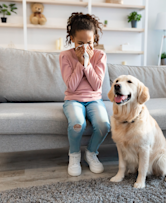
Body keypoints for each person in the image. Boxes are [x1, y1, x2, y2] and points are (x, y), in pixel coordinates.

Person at [59, 12, 110, 177]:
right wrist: (80, 64)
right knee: (77, 124)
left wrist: (87, 64)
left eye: (89, 43)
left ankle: (91, 153)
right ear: (72, 38)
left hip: (94, 100)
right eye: (80, 43)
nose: (85, 48)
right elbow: (72, 87)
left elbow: (96, 85)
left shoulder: (100, 56)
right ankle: (74, 156)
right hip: (73, 100)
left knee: (104, 125)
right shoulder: (65, 56)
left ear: (94, 39)